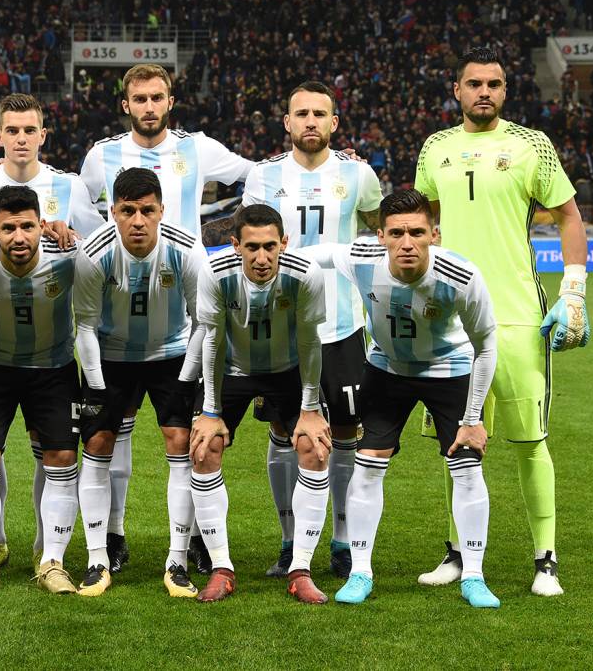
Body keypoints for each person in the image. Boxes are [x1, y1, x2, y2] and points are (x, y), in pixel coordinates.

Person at [414, 47, 590, 597]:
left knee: (530, 441)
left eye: (494, 83)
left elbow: (568, 214)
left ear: (506, 91)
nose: (483, 92)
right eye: (474, 83)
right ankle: (456, 552)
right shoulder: (435, 147)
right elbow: (417, 222)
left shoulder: (530, 145)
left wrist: (575, 289)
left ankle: (545, 560)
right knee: (457, 443)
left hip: (516, 317)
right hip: (449, 321)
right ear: (457, 90)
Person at [78, 64, 253, 571]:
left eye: (157, 97)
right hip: (118, 310)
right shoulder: (101, 156)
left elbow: (251, 174)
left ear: (170, 102)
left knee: (184, 437)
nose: (149, 106)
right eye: (140, 98)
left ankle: (192, 542)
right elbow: (86, 214)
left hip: (183, 297)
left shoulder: (197, 148)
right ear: (125, 104)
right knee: (113, 432)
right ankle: (111, 537)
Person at [302, 189, 500, 609]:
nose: (406, 242)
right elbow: (315, 255)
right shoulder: (361, 259)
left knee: (465, 468)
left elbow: (486, 346)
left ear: (434, 235)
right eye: (395, 233)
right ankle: (360, 571)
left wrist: (471, 417)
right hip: (387, 369)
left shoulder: (460, 276)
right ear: (380, 236)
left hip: (449, 371)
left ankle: (475, 576)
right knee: (368, 464)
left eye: (416, 232)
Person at [0, 93, 104, 569]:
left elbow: (99, 248)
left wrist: (69, 235)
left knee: (51, 451)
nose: (20, 139)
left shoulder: (70, 186)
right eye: (11, 131)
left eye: (28, 130)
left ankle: (45, 546)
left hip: (51, 350)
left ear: (43, 135)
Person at [242, 81, 382, 578]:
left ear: (334, 122)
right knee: (284, 431)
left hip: (342, 324)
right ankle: (288, 540)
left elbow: (379, 227)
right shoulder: (263, 177)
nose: (310, 121)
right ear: (286, 122)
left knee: (345, 432)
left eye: (319, 113)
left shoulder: (359, 173)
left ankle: (342, 541)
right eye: (300, 112)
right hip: (281, 328)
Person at [73, 168, 206, 598]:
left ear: (161, 211)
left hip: (171, 355)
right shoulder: (94, 255)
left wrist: (187, 380)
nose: (137, 221)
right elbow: (86, 328)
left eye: (147, 211)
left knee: (180, 441)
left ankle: (178, 559)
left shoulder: (185, 249)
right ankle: (97, 558)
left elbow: (203, 322)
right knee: (96, 445)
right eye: (127, 211)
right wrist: (94, 388)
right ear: (112, 211)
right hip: (110, 356)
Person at [188, 204, 330, 603]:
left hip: (288, 368)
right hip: (233, 369)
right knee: (203, 449)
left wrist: (310, 408)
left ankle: (300, 568)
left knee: (314, 449)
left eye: (270, 246)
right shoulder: (215, 273)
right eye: (252, 247)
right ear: (235, 245)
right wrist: (211, 411)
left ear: (284, 242)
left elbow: (310, 342)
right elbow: (213, 341)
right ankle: (221, 568)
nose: (262, 257)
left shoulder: (304, 275)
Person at [0, 185, 82, 595]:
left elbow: (106, 248)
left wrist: (72, 230)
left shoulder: (68, 257)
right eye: (9, 228)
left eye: (28, 226)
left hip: (53, 368)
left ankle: (53, 561)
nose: (19, 237)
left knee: (60, 456)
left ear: (42, 226)